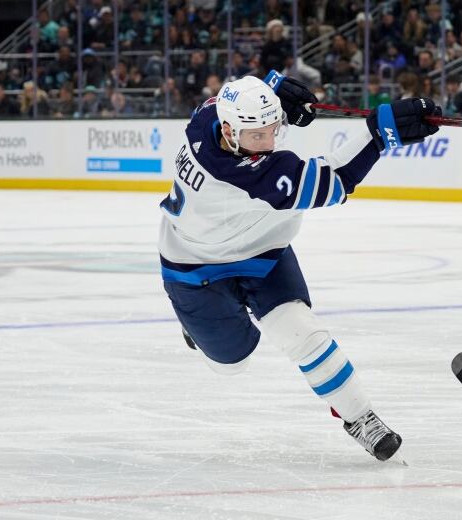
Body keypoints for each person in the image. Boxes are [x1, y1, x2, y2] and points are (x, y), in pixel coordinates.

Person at [157, 71, 441, 461]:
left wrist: (275, 95)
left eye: (273, 128)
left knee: (305, 334)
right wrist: (381, 133)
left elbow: (247, 94)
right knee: (230, 364)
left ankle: (360, 417)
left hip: (261, 250)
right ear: (229, 130)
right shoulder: (242, 177)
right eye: (259, 135)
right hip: (195, 269)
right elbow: (338, 179)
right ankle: (196, 328)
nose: (270, 140)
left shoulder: (209, 116)